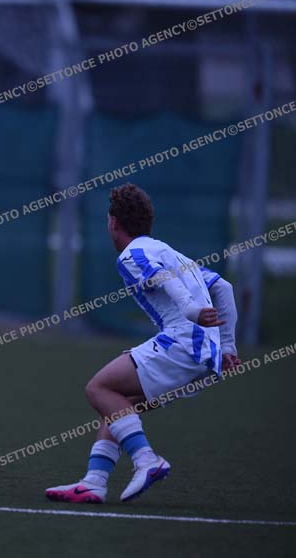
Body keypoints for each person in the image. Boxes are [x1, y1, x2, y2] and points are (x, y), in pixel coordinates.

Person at [45, 183, 240, 503]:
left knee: (98, 389)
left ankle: (147, 460)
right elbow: (224, 289)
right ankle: (94, 481)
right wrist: (228, 347)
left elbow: (163, 278)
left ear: (113, 222)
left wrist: (190, 311)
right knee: (117, 403)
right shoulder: (169, 251)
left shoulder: (132, 255)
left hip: (183, 342)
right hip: (203, 353)